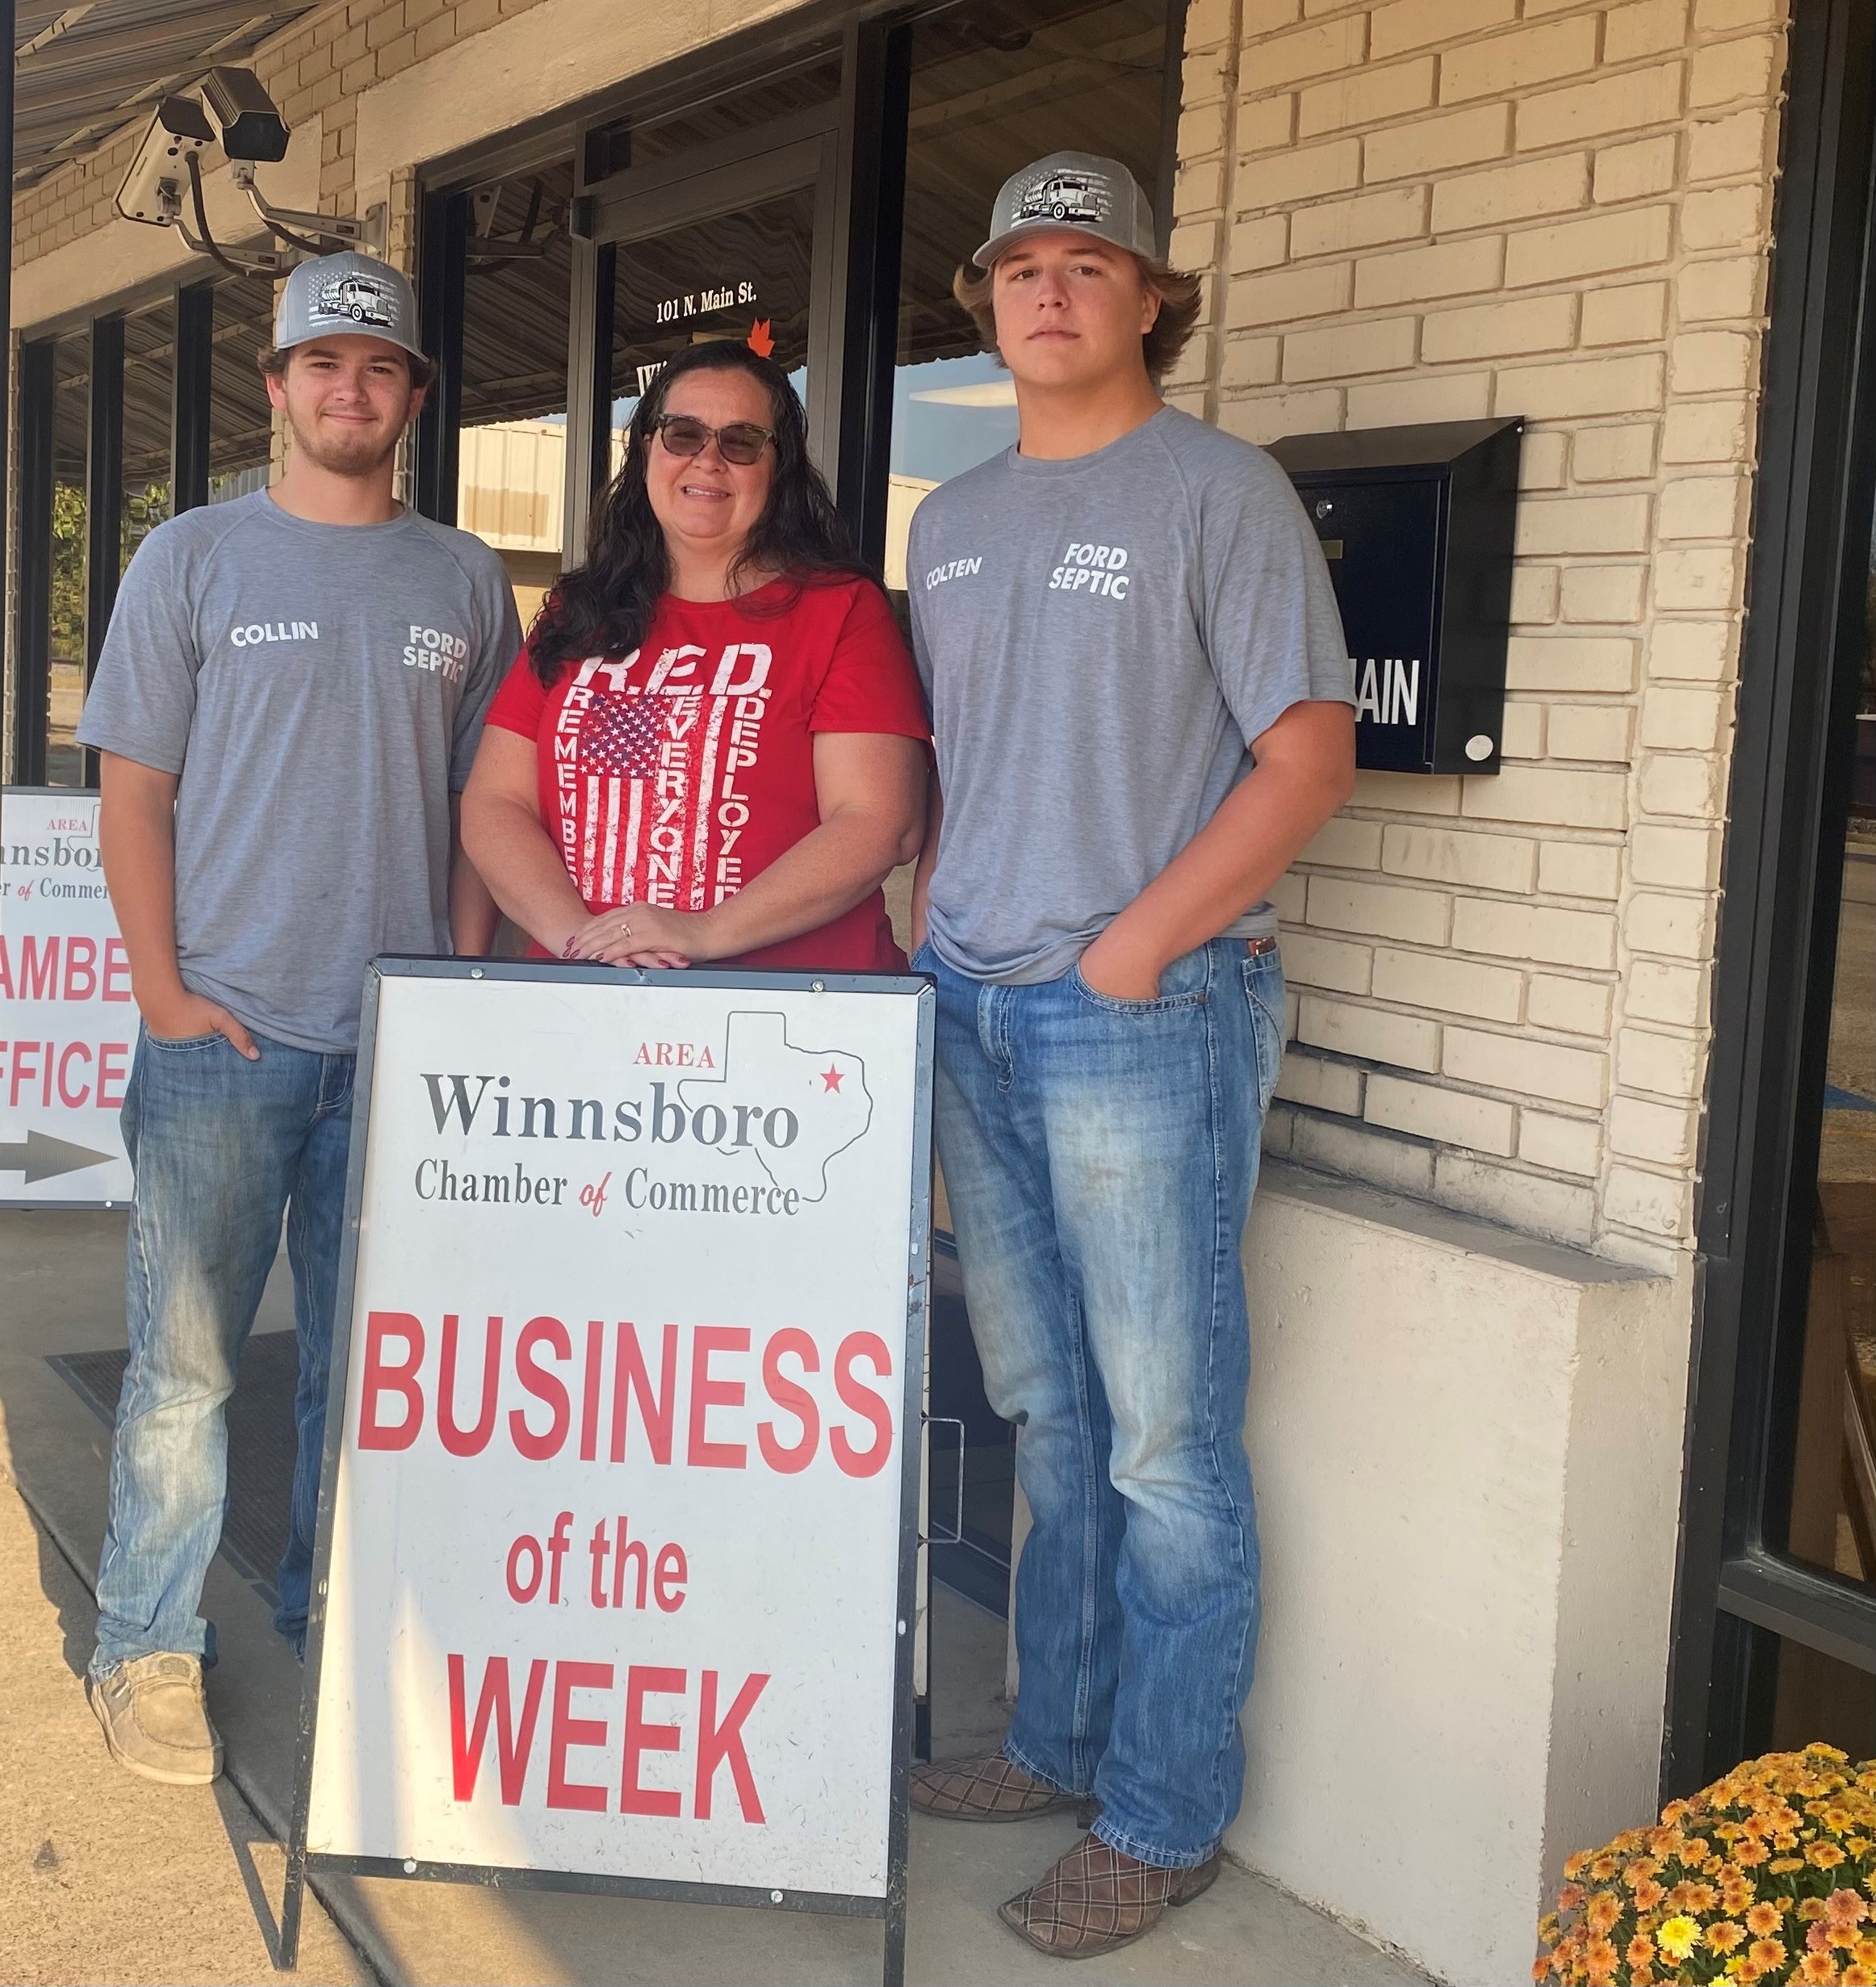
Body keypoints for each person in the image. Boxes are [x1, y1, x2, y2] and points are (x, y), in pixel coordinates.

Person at [904, 153, 1357, 1956]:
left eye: (1087, 263)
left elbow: (1306, 753)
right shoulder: (947, 517)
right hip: (969, 999)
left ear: (1152, 298)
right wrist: (930, 914)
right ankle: (1053, 1740)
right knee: (1045, 1407)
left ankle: (1160, 1816)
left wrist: (1134, 945)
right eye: (1020, 264)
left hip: (1138, 1018)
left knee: (1164, 1438)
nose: (1048, 291)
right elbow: (956, 757)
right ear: (986, 303)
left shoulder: (1216, 495)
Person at [76, 251, 518, 1785]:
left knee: (367, 1361)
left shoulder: (464, 579)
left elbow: (486, 803)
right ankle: (147, 1644)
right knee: (185, 1368)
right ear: (276, 387)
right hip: (229, 1038)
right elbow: (134, 791)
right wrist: (166, 997)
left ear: (410, 396)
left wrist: (455, 989)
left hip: (397, 1042)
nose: (351, 388)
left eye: (380, 368)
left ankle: (332, 1611)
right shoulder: (190, 559)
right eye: (322, 365)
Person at [462, 340, 928, 972]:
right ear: (648, 449)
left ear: (778, 466)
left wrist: (704, 932)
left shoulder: (842, 611)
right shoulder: (578, 612)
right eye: (682, 434)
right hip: (588, 1004)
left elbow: (878, 822)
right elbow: (496, 805)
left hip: (792, 1016)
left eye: (740, 442)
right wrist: (582, 940)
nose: (707, 460)